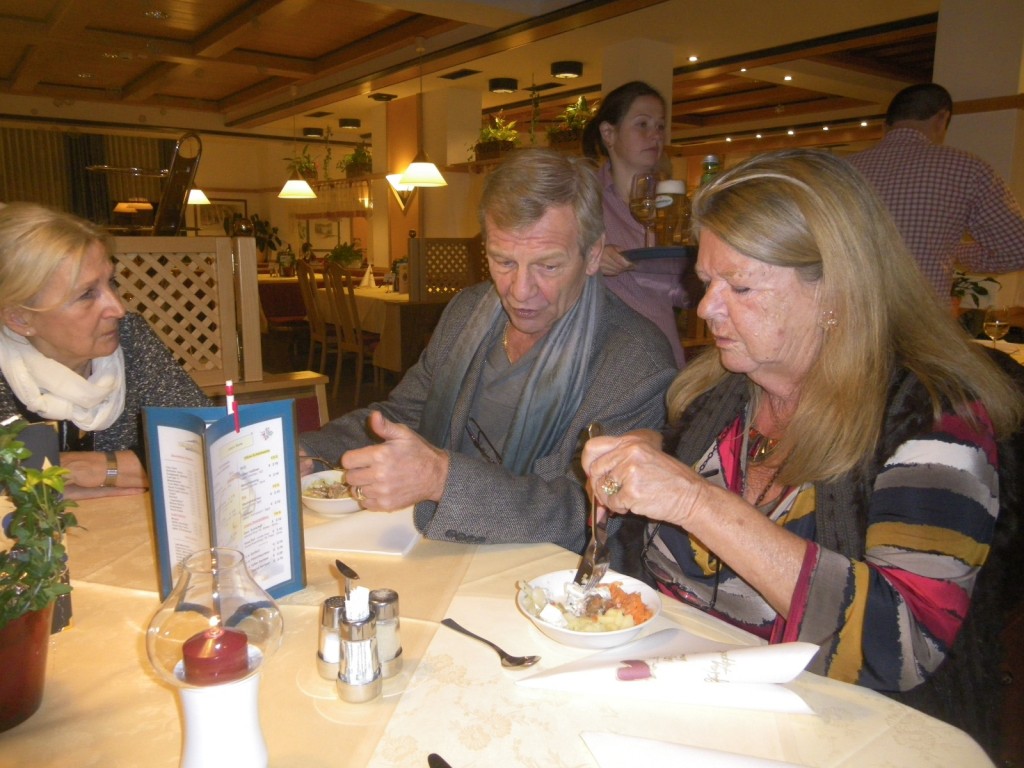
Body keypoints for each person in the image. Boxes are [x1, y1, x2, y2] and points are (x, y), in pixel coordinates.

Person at [581, 150, 1022, 708]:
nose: (707, 308)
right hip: (682, 700)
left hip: (846, 727)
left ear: (835, 292)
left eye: (741, 288)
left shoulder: (934, 418)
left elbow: (902, 645)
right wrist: (652, 452)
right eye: (707, 282)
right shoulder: (723, 393)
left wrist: (695, 501)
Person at [299, 149, 676, 552]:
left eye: (548, 266)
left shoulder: (636, 363)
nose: (520, 291)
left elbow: (582, 513)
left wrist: (441, 479)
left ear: (593, 255)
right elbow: (403, 414)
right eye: (503, 261)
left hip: (544, 575)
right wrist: (308, 450)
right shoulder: (468, 311)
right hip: (433, 546)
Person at [0, 203, 211, 499]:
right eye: (87, 294)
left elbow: (207, 442)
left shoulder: (131, 337)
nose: (118, 308)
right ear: (20, 319)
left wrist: (97, 468)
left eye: (111, 282)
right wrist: (135, 470)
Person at [848, 82, 1024, 299]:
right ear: (942, 118)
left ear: (886, 126)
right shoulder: (967, 169)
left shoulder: (841, 169)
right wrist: (955, 251)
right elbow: (1018, 251)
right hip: (919, 312)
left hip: (846, 310)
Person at [582, 80, 689, 367]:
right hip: (605, 358)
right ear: (608, 133)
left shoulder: (672, 203)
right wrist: (588, 260)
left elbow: (680, 295)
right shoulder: (583, 197)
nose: (655, 135)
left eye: (660, 126)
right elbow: (549, 265)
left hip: (664, 353)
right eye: (642, 124)